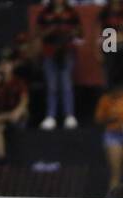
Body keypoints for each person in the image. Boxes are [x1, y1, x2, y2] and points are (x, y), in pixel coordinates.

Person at [36, 0, 82, 130]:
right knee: (52, 86)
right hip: (49, 52)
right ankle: (51, 116)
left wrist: (70, 32)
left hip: (66, 52)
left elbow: (79, 32)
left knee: (66, 84)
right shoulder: (45, 13)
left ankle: (69, 115)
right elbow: (38, 33)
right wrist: (51, 30)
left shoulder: (71, 13)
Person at [0, 54, 30, 164]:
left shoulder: (18, 82)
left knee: (22, 112)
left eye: (7, 65)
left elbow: (24, 102)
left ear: (12, 66)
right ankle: (1, 158)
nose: (4, 67)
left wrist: (14, 113)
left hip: (16, 116)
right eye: (2, 65)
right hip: (1, 117)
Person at [96, 0, 123, 88]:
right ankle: (110, 100)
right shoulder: (104, 13)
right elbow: (99, 33)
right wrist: (98, 51)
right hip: (109, 46)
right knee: (110, 77)